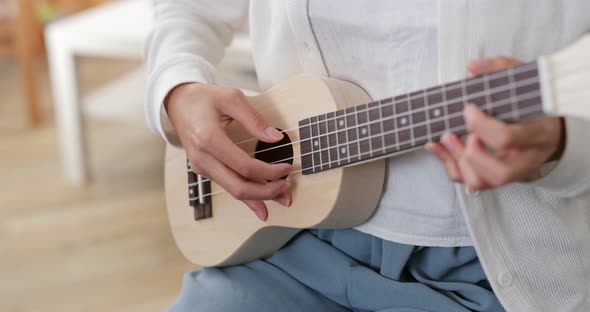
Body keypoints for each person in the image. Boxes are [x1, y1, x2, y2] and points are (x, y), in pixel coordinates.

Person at [145, 1, 590, 311]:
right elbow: (189, 8)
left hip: (491, 276)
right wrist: (178, 88)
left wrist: (560, 146)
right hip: (290, 242)